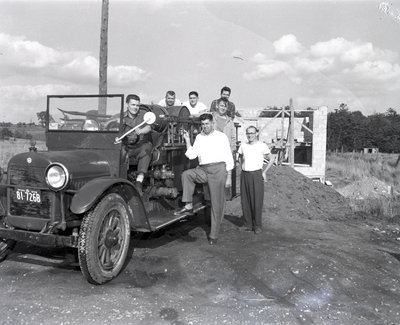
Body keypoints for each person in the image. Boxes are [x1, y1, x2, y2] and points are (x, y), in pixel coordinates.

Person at [174, 113, 234, 245]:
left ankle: (214, 235)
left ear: (212, 123)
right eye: (202, 124)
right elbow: (192, 155)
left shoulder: (221, 136)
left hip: (218, 169)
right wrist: (187, 140)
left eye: (207, 124)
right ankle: (188, 204)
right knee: (187, 174)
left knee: (216, 204)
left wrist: (229, 176)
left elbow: (228, 156)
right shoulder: (199, 137)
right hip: (203, 169)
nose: (205, 126)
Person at [237, 126, 271, 234]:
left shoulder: (262, 146)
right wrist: (241, 166)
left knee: (257, 200)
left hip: (256, 175)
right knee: (245, 200)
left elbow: (272, 158)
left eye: (252, 133)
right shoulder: (243, 146)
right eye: (248, 133)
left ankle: (257, 225)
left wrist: (264, 172)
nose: (250, 135)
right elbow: (239, 157)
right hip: (245, 175)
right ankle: (247, 224)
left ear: (256, 133)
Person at [122, 94, 153, 195]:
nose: (135, 107)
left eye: (137, 105)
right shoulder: (121, 117)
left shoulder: (144, 115)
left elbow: (148, 127)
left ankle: (139, 182)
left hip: (140, 146)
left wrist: (141, 131)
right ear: (127, 104)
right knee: (120, 152)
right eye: (133, 105)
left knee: (147, 148)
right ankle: (121, 181)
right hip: (127, 147)